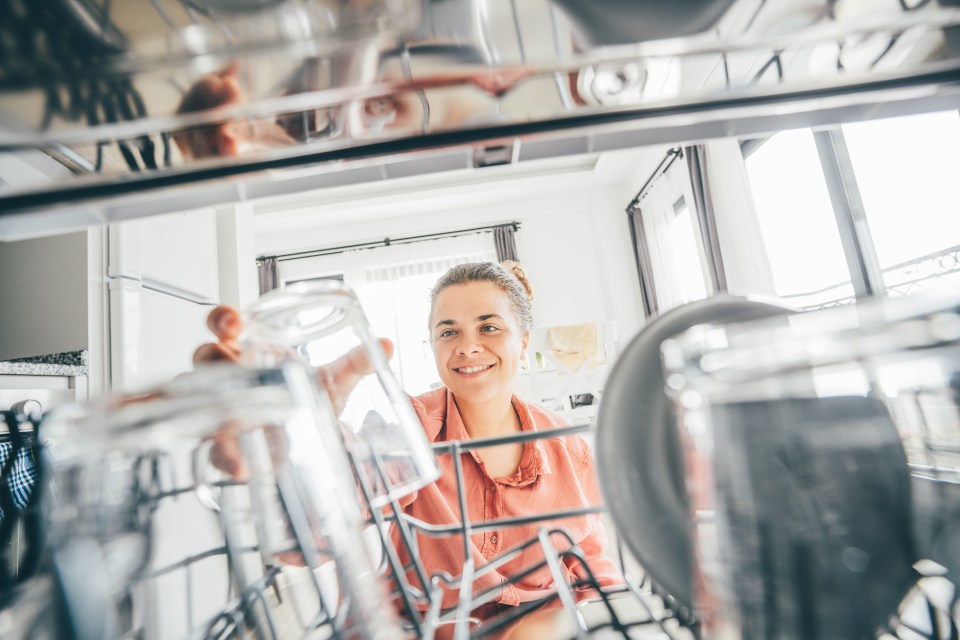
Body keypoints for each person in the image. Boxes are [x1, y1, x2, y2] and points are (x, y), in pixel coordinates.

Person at [195, 260, 621, 634]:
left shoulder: (568, 448)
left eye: (488, 327)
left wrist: (542, 624)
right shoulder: (406, 428)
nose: (467, 346)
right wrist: (291, 447)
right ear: (432, 346)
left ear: (524, 341)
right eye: (448, 331)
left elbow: (593, 573)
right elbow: (312, 536)